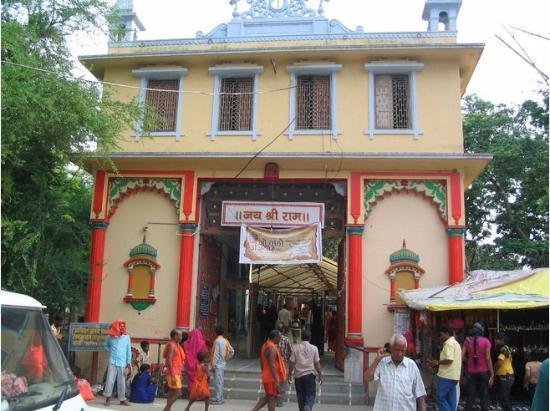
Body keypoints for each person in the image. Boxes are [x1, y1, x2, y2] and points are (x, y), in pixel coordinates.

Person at [365, 334, 426, 411]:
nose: (400, 354)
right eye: (397, 350)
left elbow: (420, 395)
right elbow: (367, 377)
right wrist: (377, 360)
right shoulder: (382, 363)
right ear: (391, 349)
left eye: (402, 351)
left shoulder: (412, 366)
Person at [252, 330, 288, 411]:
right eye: (279, 338)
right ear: (275, 337)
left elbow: (262, 362)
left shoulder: (266, 345)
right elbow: (272, 365)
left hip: (268, 376)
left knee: (269, 397)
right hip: (271, 378)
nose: (280, 339)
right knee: (271, 398)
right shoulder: (271, 348)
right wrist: (276, 380)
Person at [288, 329, 323, 411]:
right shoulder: (314, 348)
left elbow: (292, 362)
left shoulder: (295, 348)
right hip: (310, 375)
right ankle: (308, 405)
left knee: (300, 396)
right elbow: (317, 363)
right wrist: (320, 375)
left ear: (301, 337)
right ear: (310, 338)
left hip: (298, 376)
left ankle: (303, 408)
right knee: (310, 394)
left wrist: (290, 374)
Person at [430, 324, 462, 411]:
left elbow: (449, 359)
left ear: (447, 333)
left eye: (441, 335)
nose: (440, 337)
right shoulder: (456, 344)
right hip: (454, 376)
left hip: (446, 375)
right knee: (451, 400)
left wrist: (437, 362)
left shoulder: (448, 343)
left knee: (440, 398)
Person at [462, 322, 493, 411]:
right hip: (484, 371)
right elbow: (488, 358)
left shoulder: (467, 341)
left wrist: (469, 359)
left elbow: (461, 356)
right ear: (481, 331)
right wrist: (492, 373)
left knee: (471, 394)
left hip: (471, 372)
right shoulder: (486, 341)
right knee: (484, 394)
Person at [103, 319, 132, 406]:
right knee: (109, 380)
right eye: (120, 326)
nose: (122, 328)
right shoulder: (110, 337)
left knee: (122, 382)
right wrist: (110, 350)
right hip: (112, 362)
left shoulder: (127, 337)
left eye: (123, 326)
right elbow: (105, 346)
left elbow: (128, 350)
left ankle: (122, 400)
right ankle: (108, 399)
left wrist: (128, 363)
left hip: (123, 362)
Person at [163, 328, 186, 411]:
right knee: (178, 393)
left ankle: (168, 409)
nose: (181, 337)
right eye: (179, 335)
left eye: (181, 335)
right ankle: (165, 409)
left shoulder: (177, 344)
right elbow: (169, 360)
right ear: (174, 335)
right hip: (173, 372)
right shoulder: (172, 345)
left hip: (176, 372)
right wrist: (173, 375)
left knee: (172, 393)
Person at [210, 325, 234, 405]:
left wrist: (213, 364)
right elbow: (232, 351)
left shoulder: (217, 341)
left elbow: (216, 354)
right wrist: (226, 358)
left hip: (217, 365)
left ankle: (218, 399)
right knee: (220, 382)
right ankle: (219, 397)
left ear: (215, 332)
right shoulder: (225, 340)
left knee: (218, 382)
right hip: (222, 364)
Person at [493, 332, 514, 411]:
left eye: (497, 339)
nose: (495, 341)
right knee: (504, 397)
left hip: (505, 375)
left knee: (504, 398)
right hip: (506, 375)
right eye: (495, 339)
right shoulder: (505, 348)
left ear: (502, 340)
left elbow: (499, 363)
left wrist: (493, 369)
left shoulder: (503, 349)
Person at [275, 321, 293, 407]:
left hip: (274, 363)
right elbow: (291, 351)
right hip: (284, 363)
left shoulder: (272, 338)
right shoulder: (286, 339)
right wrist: (287, 359)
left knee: (275, 380)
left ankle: (274, 399)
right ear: (283, 330)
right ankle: (280, 402)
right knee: (283, 382)